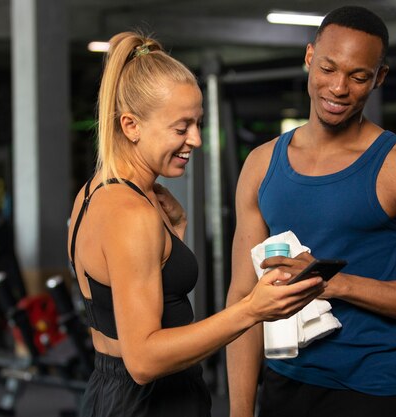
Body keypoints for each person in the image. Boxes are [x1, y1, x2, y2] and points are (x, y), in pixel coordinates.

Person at [67, 31, 326, 417]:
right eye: (181, 127)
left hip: (110, 392)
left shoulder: (92, 194)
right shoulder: (131, 214)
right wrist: (252, 309)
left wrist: (175, 240)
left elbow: (123, 305)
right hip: (152, 401)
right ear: (131, 125)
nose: (197, 140)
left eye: (198, 124)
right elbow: (143, 361)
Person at [225, 6, 396, 417]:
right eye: (328, 68)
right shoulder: (262, 164)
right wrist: (240, 411)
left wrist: (334, 283)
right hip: (282, 388)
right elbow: (242, 298)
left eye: (358, 76)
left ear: (379, 78)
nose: (338, 88)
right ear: (308, 58)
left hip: (368, 394)